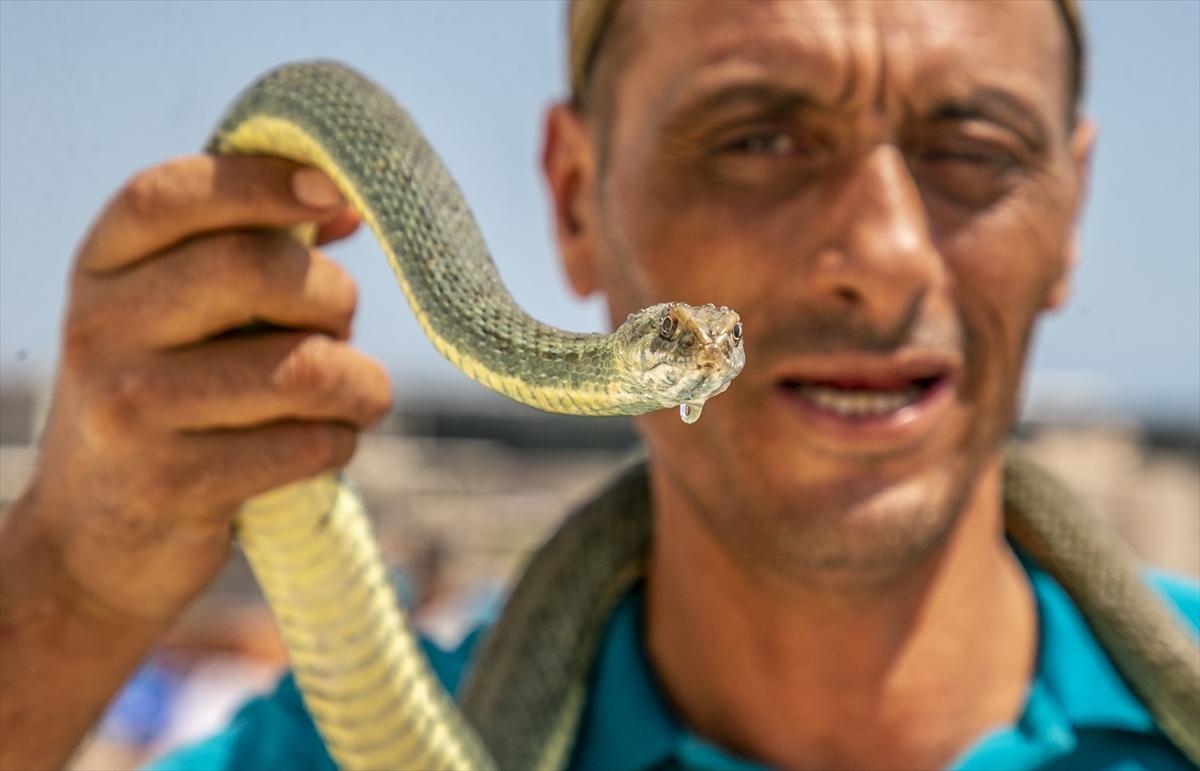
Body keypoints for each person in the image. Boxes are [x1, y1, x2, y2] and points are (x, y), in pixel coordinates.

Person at [1, 1, 1197, 770]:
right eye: (757, 141)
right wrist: (69, 587)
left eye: (973, 154)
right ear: (574, 199)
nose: (880, 258)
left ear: (1071, 208)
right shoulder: (338, 748)